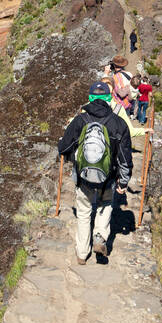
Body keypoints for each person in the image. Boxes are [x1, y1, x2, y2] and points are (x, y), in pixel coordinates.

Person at [57, 81, 132, 264]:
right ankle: (99, 236)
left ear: (90, 98)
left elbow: (64, 148)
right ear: (109, 98)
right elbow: (124, 157)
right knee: (105, 205)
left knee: (83, 213)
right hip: (108, 177)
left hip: (83, 178)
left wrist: (64, 144)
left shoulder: (80, 120)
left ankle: (82, 253)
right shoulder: (118, 123)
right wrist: (123, 181)